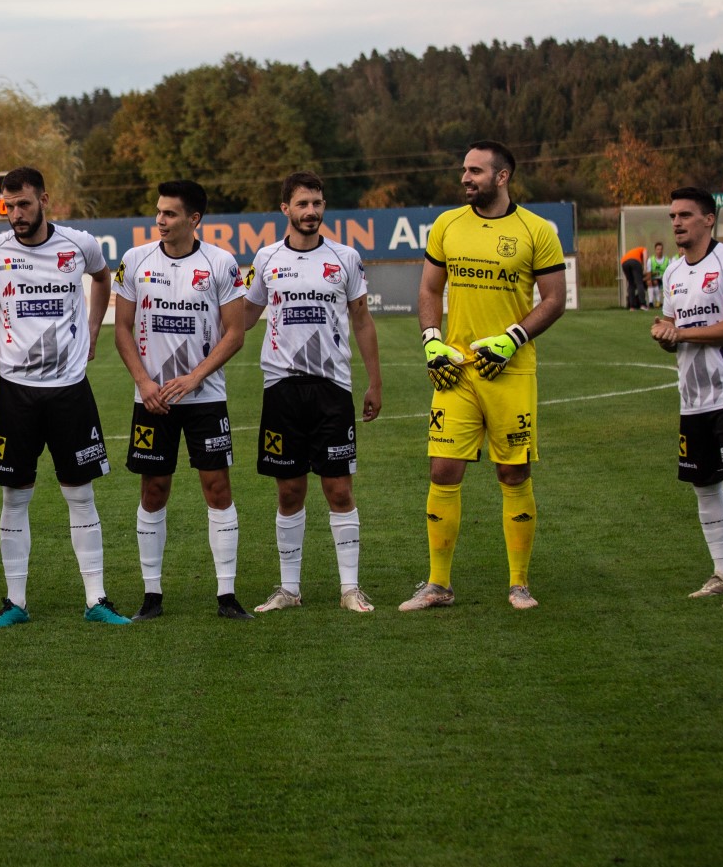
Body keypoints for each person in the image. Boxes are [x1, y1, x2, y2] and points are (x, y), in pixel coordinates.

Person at [406, 140, 567, 611]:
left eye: (475, 171)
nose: (465, 178)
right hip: (456, 373)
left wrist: (512, 337)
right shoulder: (447, 225)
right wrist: (432, 340)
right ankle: (438, 585)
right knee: (442, 468)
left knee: (513, 471)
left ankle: (519, 584)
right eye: (464, 170)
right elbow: (430, 288)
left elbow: (554, 299)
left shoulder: (536, 230)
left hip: (511, 370)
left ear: (502, 176)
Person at [0, 166, 131, 627]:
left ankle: (96, 600)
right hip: (16, 392)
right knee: (14, 497)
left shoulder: (78, 245)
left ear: (45, 199)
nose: (16, 214)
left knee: (80, 495)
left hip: (69, 391)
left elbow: (103, 280)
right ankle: (15, 603)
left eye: (23, 204)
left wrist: (94, 331)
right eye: (8, 206)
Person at [244, 171, 383, 613]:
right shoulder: (265, 259)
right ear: (285, 209)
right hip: (282, 389)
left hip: (332, 389)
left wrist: (374, 381)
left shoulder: (345, 258)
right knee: (289, 492)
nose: (311, 212)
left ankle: (349, 589)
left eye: (317, 204)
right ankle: (289, 589)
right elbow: (244, 317)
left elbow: (362, 320)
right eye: (302, 204)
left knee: (339, 489)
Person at [112, 179, 249, 620]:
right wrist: (143, 383)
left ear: (194, 219)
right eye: (158, 212)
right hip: (152, 400)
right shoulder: (134, 260)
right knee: (153, 490)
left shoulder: (222, 263)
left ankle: (226, 595)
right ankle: (152, 595)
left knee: (218, 488)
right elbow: (122, 329)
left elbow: (236, 332)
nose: (160, 220)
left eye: (169, 214)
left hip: (205, 398)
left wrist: (195, 378)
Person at [651, 187, 723, 607]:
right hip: (693, 397)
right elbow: (671, 324)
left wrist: (680, 332)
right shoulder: (673, 273)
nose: (677, 222)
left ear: (708, 220)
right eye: (672, 216)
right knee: (704, 484)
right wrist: (665, 334)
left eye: (685, 215)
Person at [620, 243, 647, 310]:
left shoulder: (633, 251)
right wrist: (645, 267)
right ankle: (643, 304)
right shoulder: (643, 249)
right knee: (639, 283)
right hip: (635, 262)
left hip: (624, 262)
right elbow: (645, 254)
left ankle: (632, 306)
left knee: (631, 283)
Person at [645, 241, 670, 308]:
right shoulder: (651, 260)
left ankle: (658, 301)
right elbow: (648, 273)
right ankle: (651, 302)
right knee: (651, 282)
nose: (659, 251)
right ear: (655, 250)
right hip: (654, 279)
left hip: (664, 279)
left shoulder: (667, 260)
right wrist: (649, 280)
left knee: (655, 282)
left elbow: (669, 272)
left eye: (661, 249)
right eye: (658, 249)